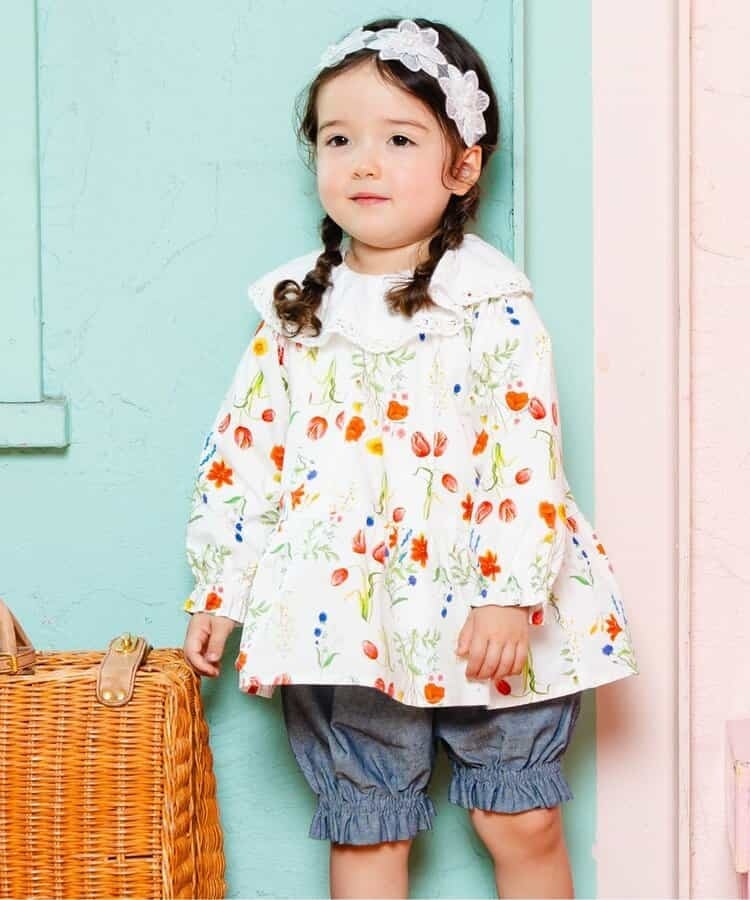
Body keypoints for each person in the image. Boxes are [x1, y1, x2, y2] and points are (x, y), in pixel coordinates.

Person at [182, 16, 639, 898]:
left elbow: (524, 451)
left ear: (462, 166)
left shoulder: (490, 302)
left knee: (520, 816)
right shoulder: (295, 313)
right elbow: (245, 455)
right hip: (346, 609)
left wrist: (509, 591)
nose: (364, 163)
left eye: (398, 140)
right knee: (369, 822)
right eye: (338, 139)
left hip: (486, 609)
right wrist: (220, 590)